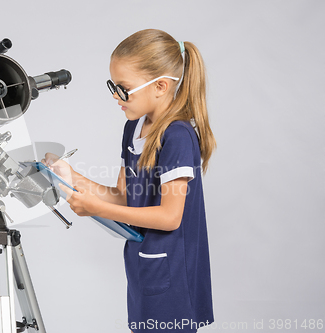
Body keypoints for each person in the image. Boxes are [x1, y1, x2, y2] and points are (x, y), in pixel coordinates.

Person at [43, 29, 216, 332]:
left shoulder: (177, 137)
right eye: (113, 86)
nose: (115, 96)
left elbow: (169, 217)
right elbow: (125, 196)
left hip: (172, 274)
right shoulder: (133, 129)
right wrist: (71, 176)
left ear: (160, 86)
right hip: (144, 267)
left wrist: (95, 208)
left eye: (123, 89)